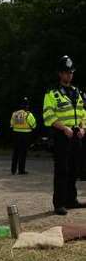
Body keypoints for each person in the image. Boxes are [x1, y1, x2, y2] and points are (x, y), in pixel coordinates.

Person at [43, 55, 86, 215]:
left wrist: (83, 128)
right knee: (62, 170)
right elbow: (48, 116)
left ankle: (71, 200)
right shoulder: (51, 93)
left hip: (77, 135)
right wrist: (63, 128)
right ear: (60, 74)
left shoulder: (77, 92)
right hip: (62, 136)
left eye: (71, 72)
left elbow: (83, 113)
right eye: (66, 72)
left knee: (74, 169)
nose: (69, 75)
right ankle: (59, 203)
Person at [10, 97, 37, 175]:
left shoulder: (14, 114)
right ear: (27, 106)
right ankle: (21, 170)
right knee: (23, 153)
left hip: (15, 134)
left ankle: (13, 170)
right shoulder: (28, 114)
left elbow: (11, 124)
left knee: (15, 152)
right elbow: (34, 125)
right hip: (25, 135)